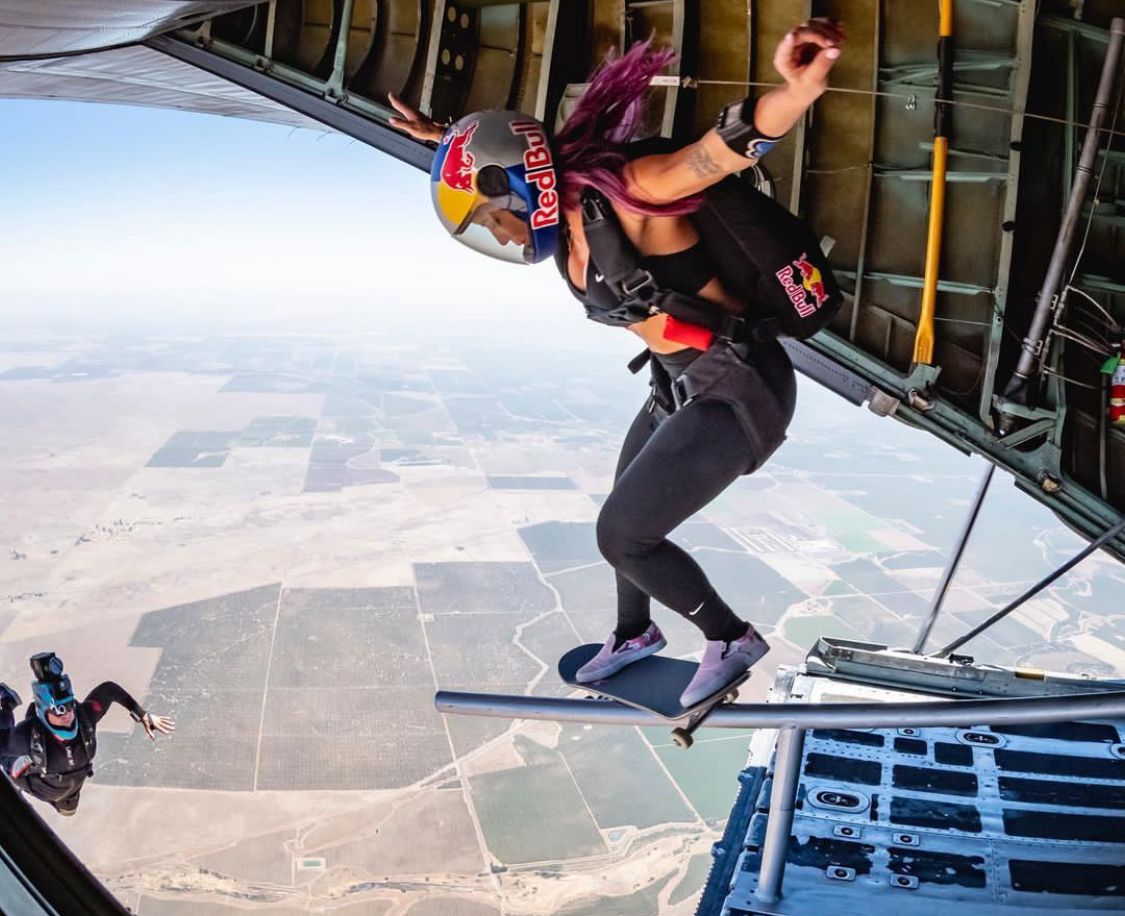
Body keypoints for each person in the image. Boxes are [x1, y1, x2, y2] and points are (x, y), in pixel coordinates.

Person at [390, 20, 844, 706]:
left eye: (493, 217)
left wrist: (795, 89)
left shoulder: (635, 196)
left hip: (739, 387)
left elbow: (717, 153)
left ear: (520, 188)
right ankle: (634, 634)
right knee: (623, 520)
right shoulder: (566, 219)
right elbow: (509, 153)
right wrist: (442, 140)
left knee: (624, 535)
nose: (501, 233)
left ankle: (729, 637)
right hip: (680, 383)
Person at [0, 652, 174, 815]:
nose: (66, 714)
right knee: (9, 764)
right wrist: (141, 714)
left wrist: (143, 715)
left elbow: (109, 690)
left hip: (61, 787)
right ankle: (7, 704)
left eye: (68, 706)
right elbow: (109, 690)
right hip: (55, 785)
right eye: (58, 710)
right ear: (44, 711)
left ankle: (7, 703)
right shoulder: (26, 737)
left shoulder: (84, 720)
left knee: (67, 808)